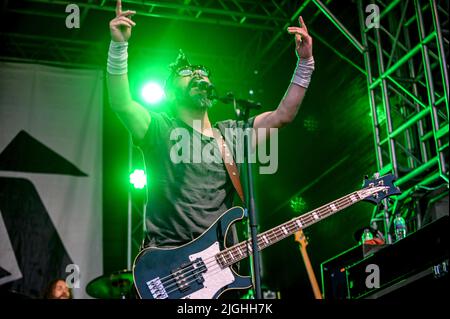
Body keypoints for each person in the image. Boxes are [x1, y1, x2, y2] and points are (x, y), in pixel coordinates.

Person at [107, 0, 314, 252]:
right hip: (169, 264)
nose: (197, 75)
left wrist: (305, 63)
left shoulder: (230, 135)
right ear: (171, 94)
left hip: (220, 269)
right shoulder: (160, 128)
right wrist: (119, 46)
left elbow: (283, 115)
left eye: (202, 72)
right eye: (186, 74)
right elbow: (122, 104)